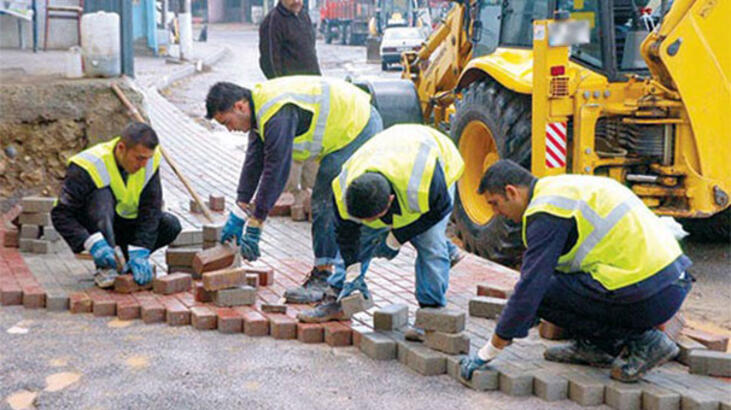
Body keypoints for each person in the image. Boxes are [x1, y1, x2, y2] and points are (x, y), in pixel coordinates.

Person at [459, 160, 692, 383]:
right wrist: (520, 316)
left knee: (542, 293)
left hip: (651, 294)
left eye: (495, 203)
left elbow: (531, 286)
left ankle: (644, 341)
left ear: (512, 192)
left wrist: (489, 351)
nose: (496, 212)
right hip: (670, 281)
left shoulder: (547, 212)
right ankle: (598, 347)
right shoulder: (560, 190)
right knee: (549, 285)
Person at [204, 77, 383, 303]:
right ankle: (330, 271)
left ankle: (324, 276)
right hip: (348, 126)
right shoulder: (260, 112)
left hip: (359, 125)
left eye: (227, 122)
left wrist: (256, 222)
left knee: (326, 196)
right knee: (325, 192)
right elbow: (254, 162)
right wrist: (239, 212)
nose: (230, 129)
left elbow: (276, 168)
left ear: (240, 106)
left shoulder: (276, 112)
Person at [297, 125, 465, 335]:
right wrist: (353, 271)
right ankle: (339, 297)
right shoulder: (343, 188)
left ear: (390, 201)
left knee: (430, 243)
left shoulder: (422, 181)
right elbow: (347, 236)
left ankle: (431, 313)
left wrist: (396, 238)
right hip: (388, 152)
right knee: (365, 234)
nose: (369, 222)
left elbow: (440, 210)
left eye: (373, 218)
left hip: (439, 160)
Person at [51, 122, 182, 288]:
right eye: (139, 158)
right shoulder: (89, 164)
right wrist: (89, 242)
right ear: (121, 148)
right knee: (102, 197)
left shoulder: (149, 162)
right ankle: (105, 264)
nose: (143, 165)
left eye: (147, 158)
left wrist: (141, 248)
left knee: (170, 224)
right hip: (98, 229)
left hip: (124, 226)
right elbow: (60, 214)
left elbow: (151, 210)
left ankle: (126, 261)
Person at [259, 0, 321, 79]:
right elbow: (269, 63)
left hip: (311, 84)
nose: (296, 1)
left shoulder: (304, 16)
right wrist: (280, 86)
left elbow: (311, 52)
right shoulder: (272, 21)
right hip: (290, 86)